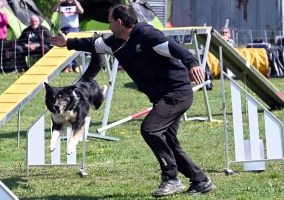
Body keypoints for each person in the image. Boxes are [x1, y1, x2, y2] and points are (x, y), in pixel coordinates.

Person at [50, 4, 216, 197]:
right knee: (168, 140)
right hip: (162, 96)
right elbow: (93, 44)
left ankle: (171, 178)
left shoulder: (147, 34)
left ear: (120, 22)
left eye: (110, 21)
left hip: (176, 93)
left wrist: (192, 63)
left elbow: (172, 46)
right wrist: (68, 42)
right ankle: (201, 181)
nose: (109, 25)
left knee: (150, 129)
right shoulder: (115, 42)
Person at [52, 0, 84, 72]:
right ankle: (67, 67)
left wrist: (75, 1)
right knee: (65, 48)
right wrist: (59, 2)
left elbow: (81, 11)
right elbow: (54, 10)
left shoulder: (75, 3)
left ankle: (76, 66)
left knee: (75, 47)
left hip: (74, 29)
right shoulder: (62, 4)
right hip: (64, 29)